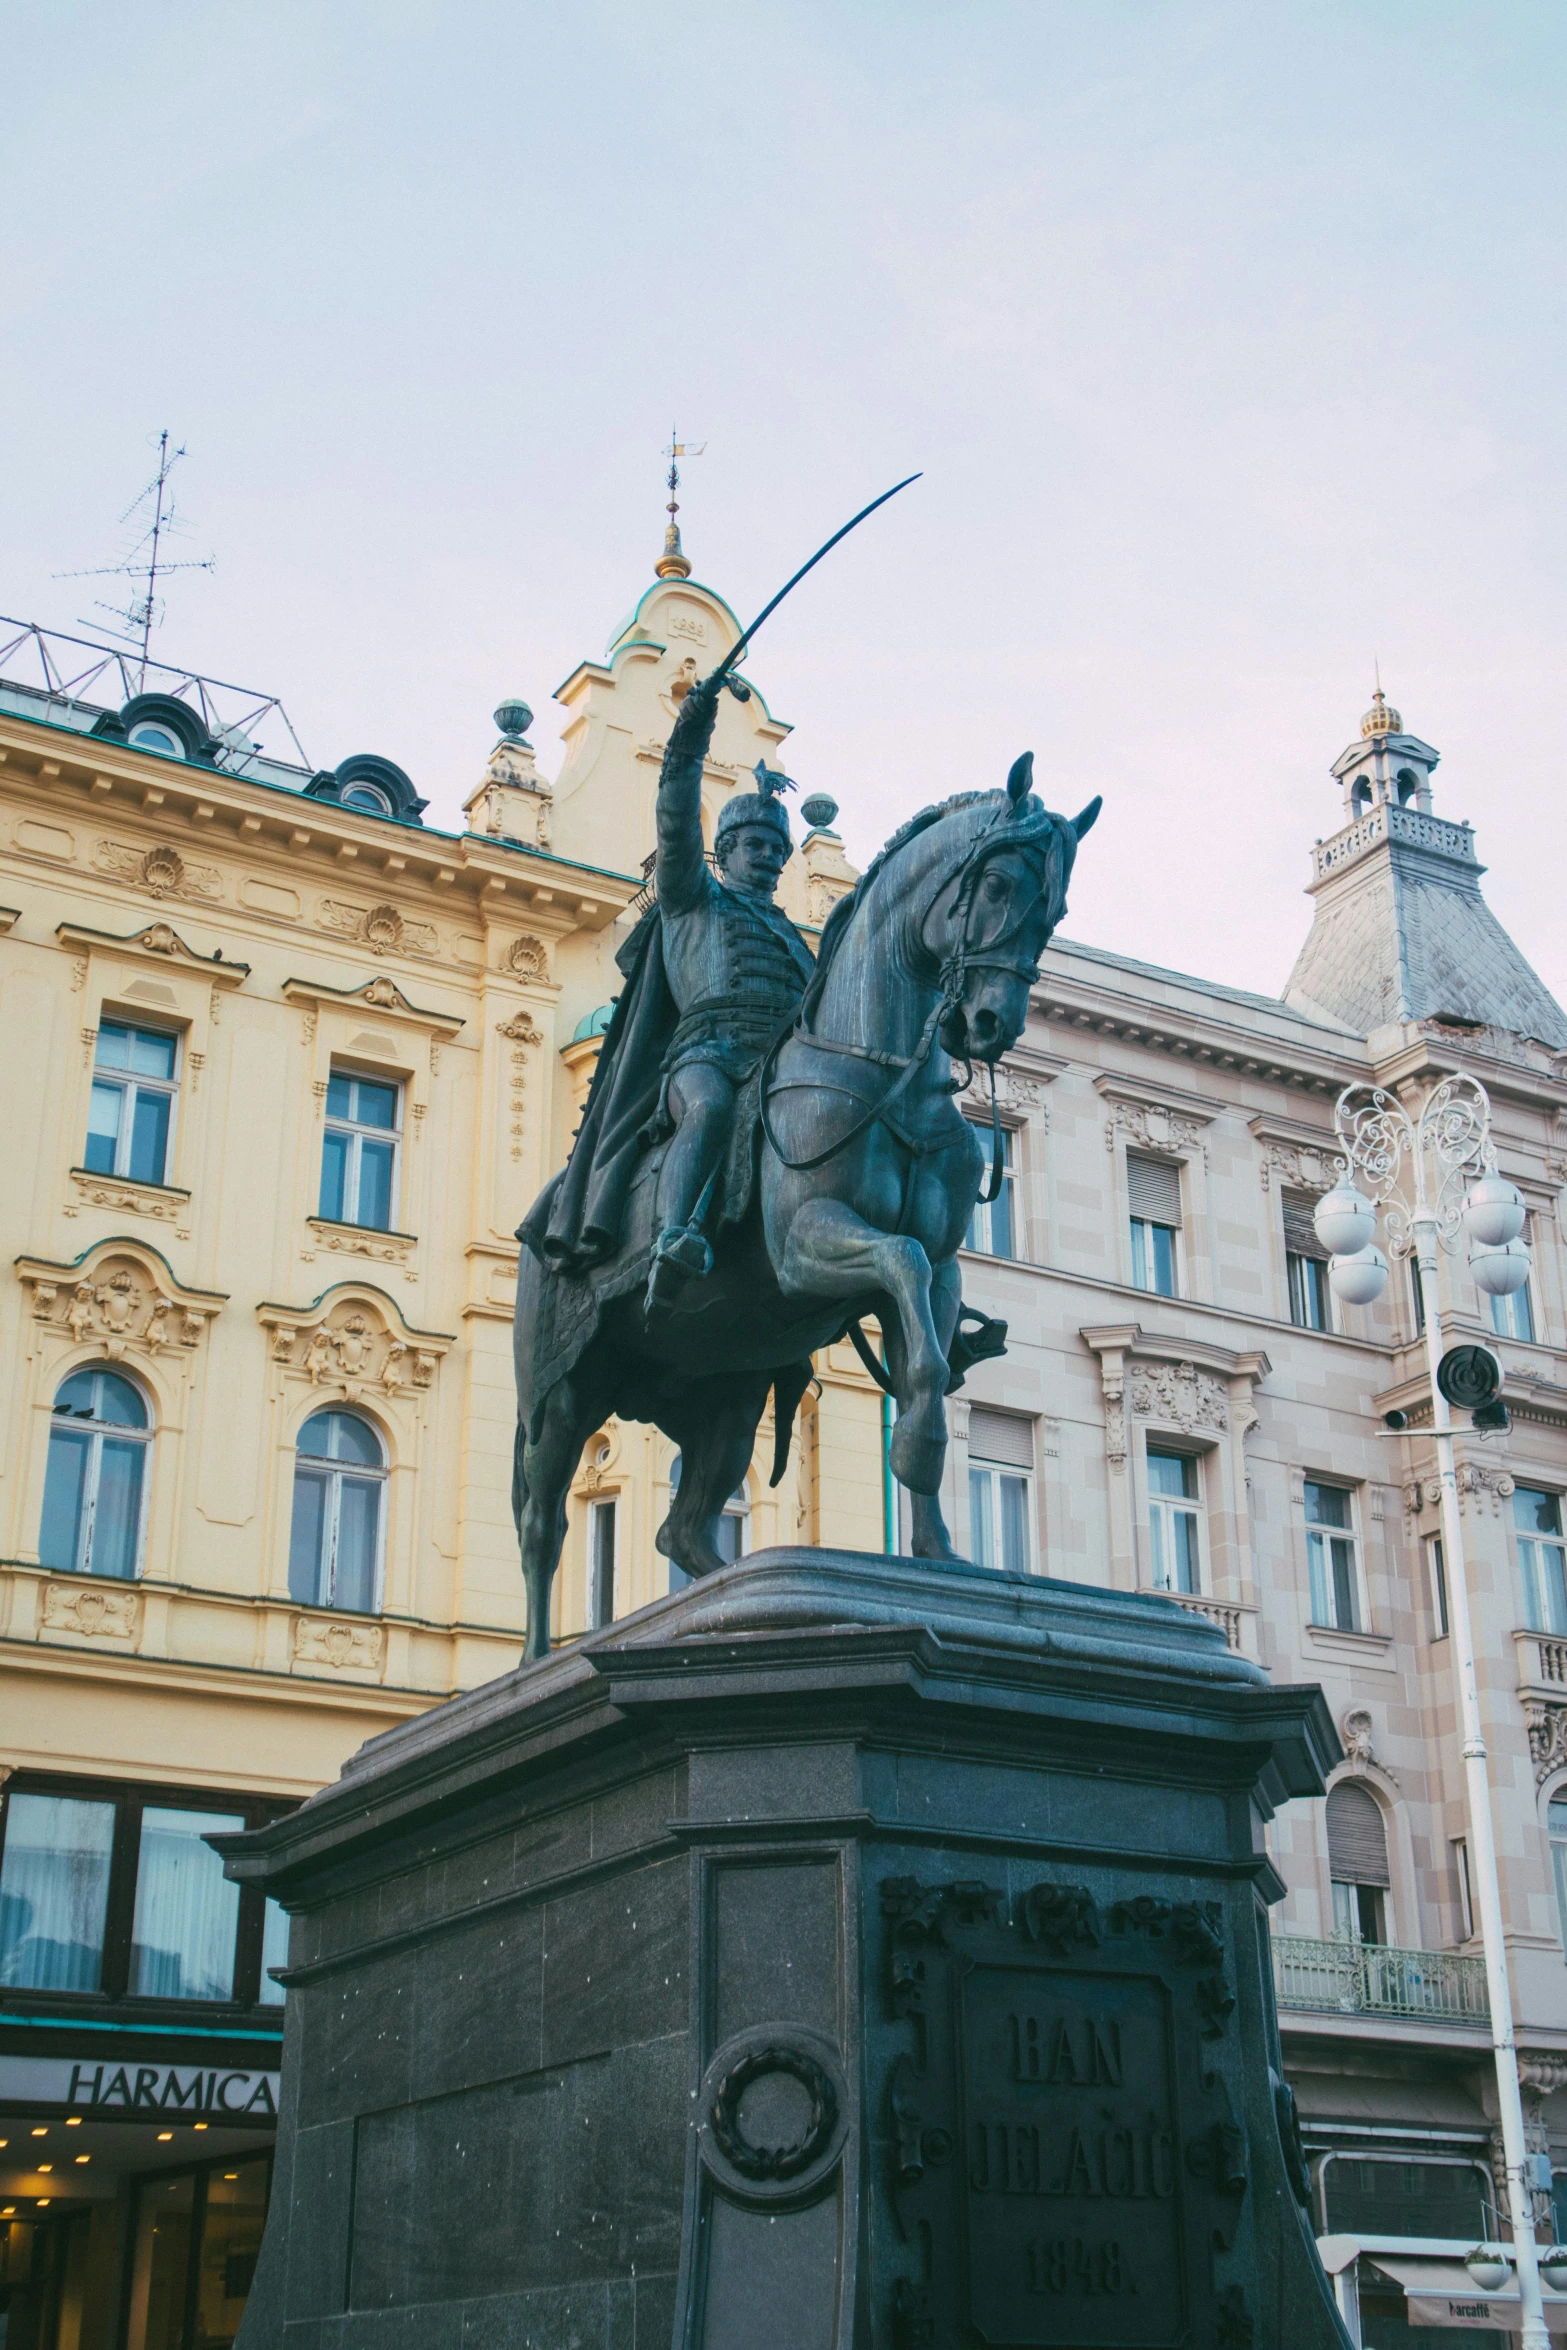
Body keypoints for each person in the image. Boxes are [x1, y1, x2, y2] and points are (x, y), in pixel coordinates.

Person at [642, 672, 816, 1309]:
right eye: (757, 845)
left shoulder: (797, 940)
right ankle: (673, 1240)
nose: (770, 857)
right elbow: (674, 813)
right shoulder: (695, 896)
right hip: (707, 1056)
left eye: (779, 848)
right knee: (711, 1108)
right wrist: (695, 722)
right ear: (725, 849)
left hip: (778, 1068)